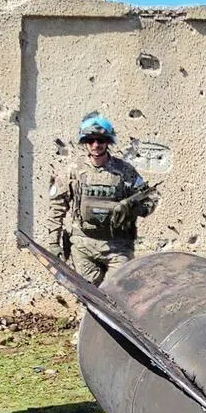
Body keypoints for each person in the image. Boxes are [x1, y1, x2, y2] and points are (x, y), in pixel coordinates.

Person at [48, 112, 158, 286]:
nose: (96, 145)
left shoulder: (124, 171)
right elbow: (57, 207)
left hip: (117, 247)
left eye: (101, 140)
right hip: (82, 246)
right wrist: (53, 243)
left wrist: (131, 207)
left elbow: (150, 199)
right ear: (85, 142)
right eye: (90, 140)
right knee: (88, 294)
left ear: (108, 142)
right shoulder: (73, 170)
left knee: (116, 293)